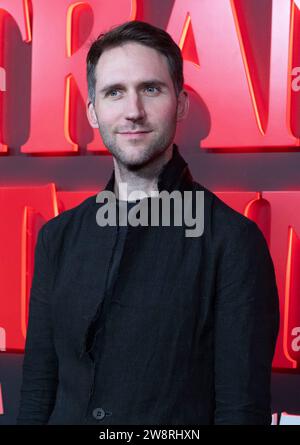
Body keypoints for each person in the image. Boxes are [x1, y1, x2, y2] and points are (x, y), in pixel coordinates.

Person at [17, 20, 279, 425]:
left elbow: (241, 411)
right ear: (93, 111)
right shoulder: (58, 238)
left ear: (182, 102)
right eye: (114, 92)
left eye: (151, 89)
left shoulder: (233, 242)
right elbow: (37, 390)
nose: (133, 111)